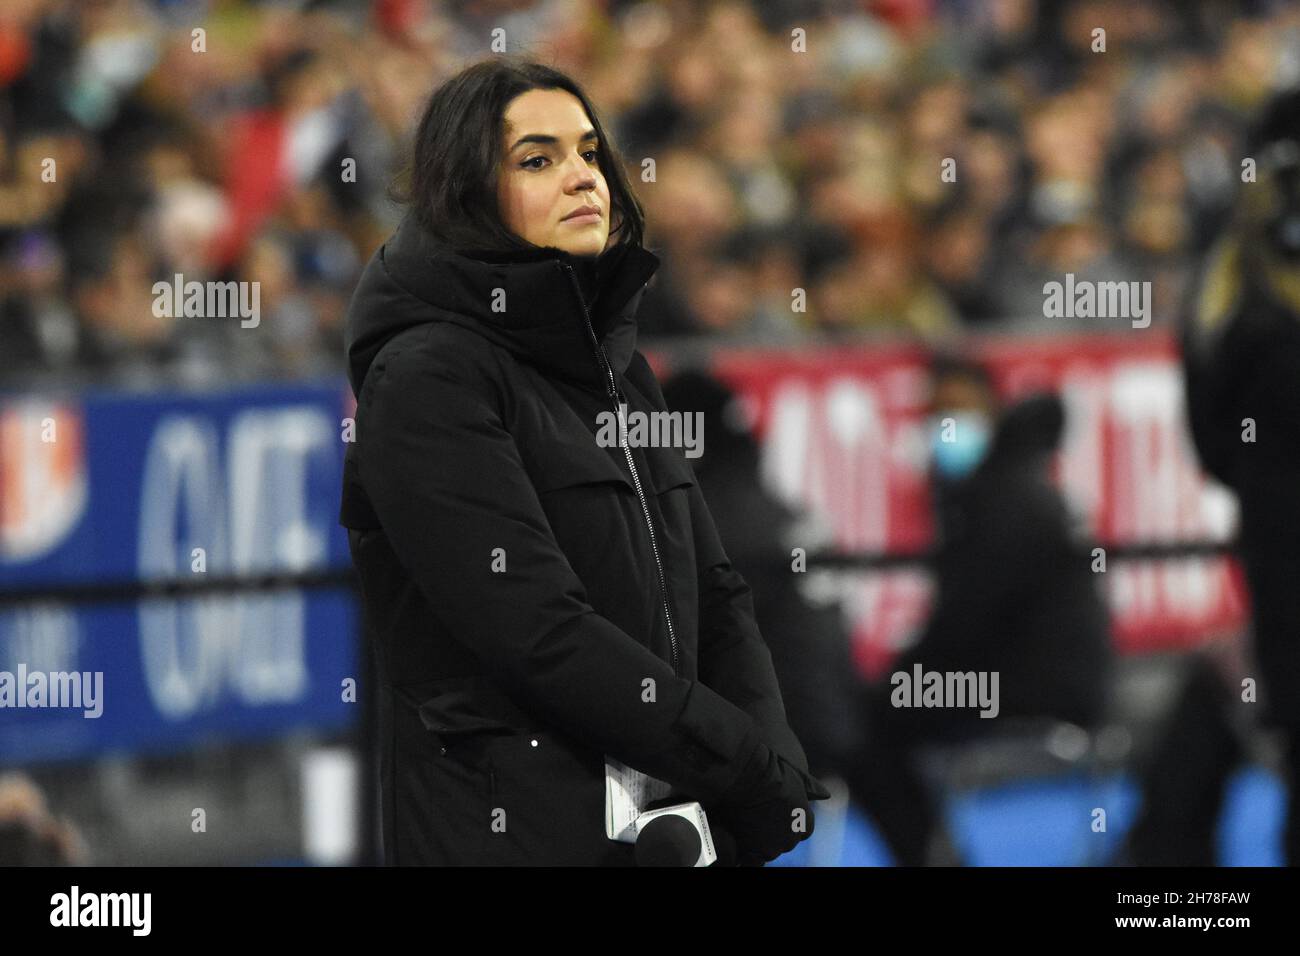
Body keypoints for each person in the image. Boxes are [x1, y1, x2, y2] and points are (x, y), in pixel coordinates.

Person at [337, 57, 829, 866]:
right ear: (467, 191)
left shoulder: (620, 370)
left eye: (589, 153)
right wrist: (736, 759)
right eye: (538, 160)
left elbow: (716, 591)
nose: (581, 178)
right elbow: (538, 633)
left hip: (667, 833)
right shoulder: (427, 378)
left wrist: (766, 760)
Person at [844, 355, 1112, 865]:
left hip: (1030, 690)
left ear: (992, 412)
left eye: (960, 411)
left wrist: (900, 681)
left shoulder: (1002, 498)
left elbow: (964, 626)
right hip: (1042, 681)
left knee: (866, 728)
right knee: (882, 716)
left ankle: (931, 858)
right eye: (936, 413)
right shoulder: (1012, 485)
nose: (946, 427)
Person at [1181, 87, 1300, 865]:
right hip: (1281, 541)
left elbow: (1213, 436)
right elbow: (1214, 435)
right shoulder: (1233, 279)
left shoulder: (1230, 281)